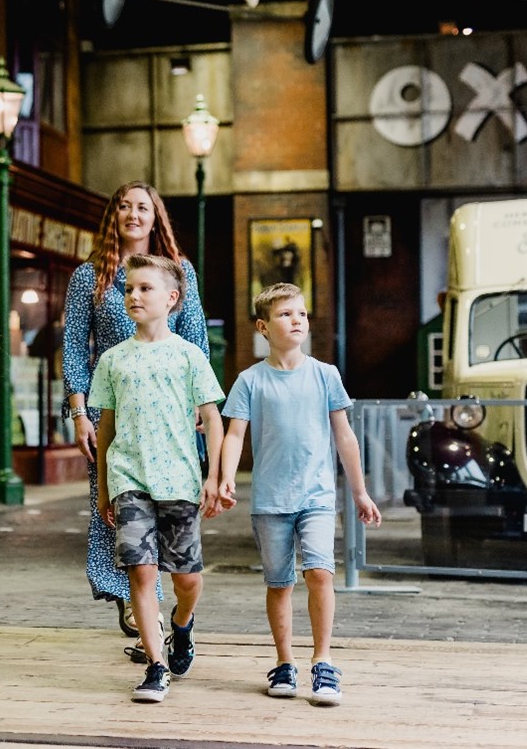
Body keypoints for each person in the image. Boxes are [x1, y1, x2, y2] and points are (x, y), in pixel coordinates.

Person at [215, 282, 382, 707]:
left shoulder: (325, 374)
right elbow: (235, 435)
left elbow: (345, 438)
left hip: (317, 497)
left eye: (302, 314)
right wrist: (225, 478)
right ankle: (284, 662)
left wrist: (360, 493)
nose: (297, 321)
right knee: (280, 583)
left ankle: (323, 662)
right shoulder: (250, 380)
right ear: (263, 326)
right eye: (287, 314)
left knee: (320, 573)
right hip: (270, 501)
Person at [61, 181, 209, 654]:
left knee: (173, 511)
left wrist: (198, 407)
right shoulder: (91, 277)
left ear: (155, 216)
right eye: (123, 206)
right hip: (113, 411)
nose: (133, 214)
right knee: (116, 506)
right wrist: (80, 412)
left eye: (142, 207)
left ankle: (168, 603)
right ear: (113, 216)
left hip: (169, 413)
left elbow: (197, 338)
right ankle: (135, 595)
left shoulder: (180, 272)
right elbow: (74, 348)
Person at [92, 255, 225, 703]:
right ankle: (155, 667)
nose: (134, 295)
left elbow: (213, 417)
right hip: (130, 477)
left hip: (181, 482)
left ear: (171, 299)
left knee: (186, 578)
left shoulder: (190, 357)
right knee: (141, 573)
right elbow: (105, 427)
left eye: (145, 288)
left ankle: (182, 626)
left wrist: (215, 477)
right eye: (129, 288)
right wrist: (104, 487)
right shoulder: (112, 360)